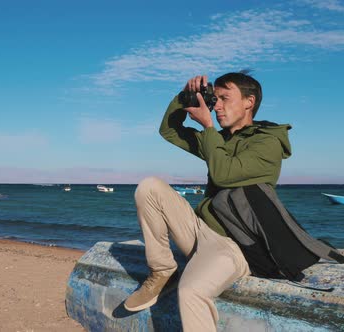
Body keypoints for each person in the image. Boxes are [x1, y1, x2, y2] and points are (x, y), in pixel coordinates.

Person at [123, 71, 292, 331]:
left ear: (249, 102)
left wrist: (209, 127)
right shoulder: (220, 139)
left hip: (235, 244)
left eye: (225, 98)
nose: (218, 106)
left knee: (191, 292)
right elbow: (169, 131)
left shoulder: (267, 143)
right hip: (199, 231)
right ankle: (162, 271)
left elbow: (225, 174)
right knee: (150, 187)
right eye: (216, 99)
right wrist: (185, 98)